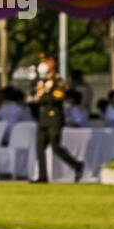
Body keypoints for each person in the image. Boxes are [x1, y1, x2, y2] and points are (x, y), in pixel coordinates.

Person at [32, 54, 84, 183]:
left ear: (53, 63)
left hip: (54, 117)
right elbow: (36, 96)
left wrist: (42, 97)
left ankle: (77, 165)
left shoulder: (58, 79)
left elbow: (58, 98)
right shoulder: (42, 80)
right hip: (43, 117)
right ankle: (42, 176)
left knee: (56, 147)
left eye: (47, 62)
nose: (44, 65)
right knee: (39, 148)